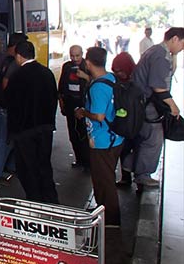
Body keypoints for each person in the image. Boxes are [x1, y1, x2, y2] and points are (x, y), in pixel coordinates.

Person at [124, 27, 184, 188]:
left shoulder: (156, 50)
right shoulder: (160, 56)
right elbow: (159, 87)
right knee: (153, 139)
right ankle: (143, 174)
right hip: (148, 104)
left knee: (142, 137)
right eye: (183, 44)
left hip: (140, 102)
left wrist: (175, 55)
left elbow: (170, 72)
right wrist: (173, 106)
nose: (183, 48)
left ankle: (130, 164)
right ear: (175, 39)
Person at [5, 40, 59, 204]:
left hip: (25, 131)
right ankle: (51, 201)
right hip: (45, 128)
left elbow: (7, 101)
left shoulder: (18, 76)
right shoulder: (47, 72)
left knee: (28, 168)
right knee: (44, 165)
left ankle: (35, 201)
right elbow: (53, 98)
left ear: (19, 56)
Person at [74, 47, 123, 227]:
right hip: (115, 138)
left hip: (103, 140)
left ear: (88, 63)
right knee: (105, 177)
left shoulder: (97, 88)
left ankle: (110, 218)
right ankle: (104, 211)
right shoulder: (110, 78)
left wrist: (83, 112)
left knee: (104, 180)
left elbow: (99, 116)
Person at [0, 32, 28, 185]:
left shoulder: (0, 56)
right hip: (4, 109)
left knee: (6, 140)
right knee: (5, 140)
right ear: (16, 47)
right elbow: (6, 86)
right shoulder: (15, 64)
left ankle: (8, 166)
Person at [58, 45, 90, 169]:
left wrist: (85, 77)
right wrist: (62, 103)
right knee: (73, 133)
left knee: (84, 133)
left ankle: (87, 162)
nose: (75, 58)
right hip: (70, 103)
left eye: (77, 55)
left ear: (82, 54)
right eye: (72, 56)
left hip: (83, 104)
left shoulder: (87, 66)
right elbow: (61, 87)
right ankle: (79, 159)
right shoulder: (67, 67)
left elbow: (96, 81)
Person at [111, 51, 137, 186]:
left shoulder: (136, 82)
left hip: (134, 122)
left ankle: (136, 178)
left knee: (133, 149)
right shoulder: (117, 82)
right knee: (124, 150)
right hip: (123, 123)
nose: (118, 74)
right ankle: (126, 177)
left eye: (120, 71)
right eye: (115, 71)